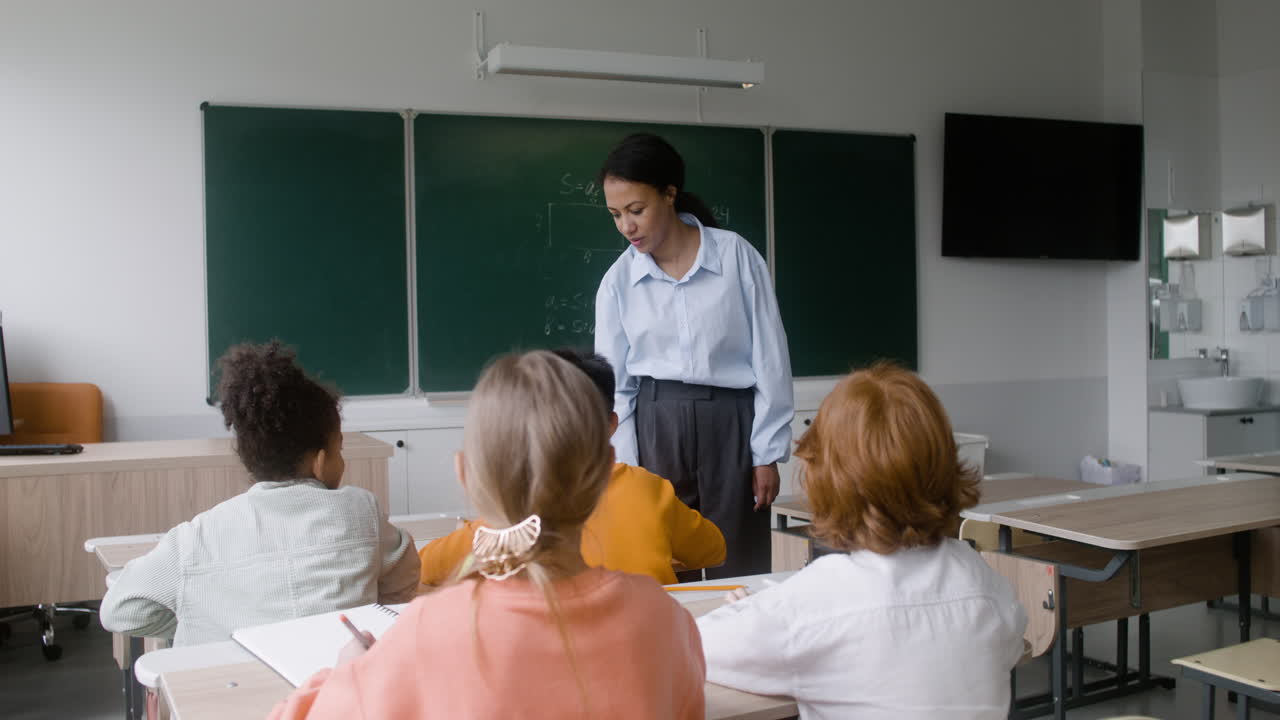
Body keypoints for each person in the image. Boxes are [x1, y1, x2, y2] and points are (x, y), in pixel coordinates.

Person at [268, 350, 706, 719]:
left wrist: (347, 672)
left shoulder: (432, 630)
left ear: (465, 474)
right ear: (604, 469)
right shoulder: (664, 619)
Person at [696, 362, 1027, 719]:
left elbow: (692, 645)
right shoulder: (985, 582)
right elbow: (1008, 645)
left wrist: (743, 608)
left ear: (827, 475)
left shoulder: (812, 603)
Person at [99, 341, 419, 646]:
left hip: (235, 696)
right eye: (339, 451)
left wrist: (198, 620)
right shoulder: (360, 511)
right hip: (333, 691)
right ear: (321, 462)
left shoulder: (196, 538)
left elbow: (121, 611)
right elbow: (405, 577)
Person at [594, 133, 793, 577]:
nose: (627, 226)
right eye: (616, 215)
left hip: (731, 420)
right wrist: (627, 467)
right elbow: (615, 385)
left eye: (636, 210)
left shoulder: (736, 256)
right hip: (656, 419)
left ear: (669, 193)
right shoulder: (619, 280)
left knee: (738, 557)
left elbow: (771, 359)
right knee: (661, 554)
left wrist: (767, 453)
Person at [418, 347, 725, 586]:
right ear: (610, 427)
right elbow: (713, 550)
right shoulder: (648, 487)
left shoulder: (511, 511)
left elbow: (423, 568)